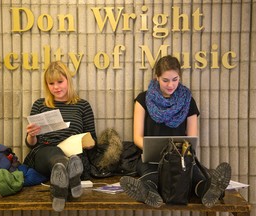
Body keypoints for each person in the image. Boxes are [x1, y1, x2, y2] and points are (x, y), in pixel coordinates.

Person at [120, 55, 231, 208]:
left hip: (181, 158)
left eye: (175, 79)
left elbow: (192, 139)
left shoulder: (188, 100)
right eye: (165, 80)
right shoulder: (142, 99)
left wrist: (178, 153)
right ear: (156, 77)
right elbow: (137, 137)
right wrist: (153, 150)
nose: (171, 85)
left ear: (180, 77)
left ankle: (208, 189)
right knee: (151, 176)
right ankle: (148, 191)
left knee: (193, 176)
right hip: (151, 158)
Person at [23, 61, 97, 212]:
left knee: (72, 158)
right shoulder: (40, 105)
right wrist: (32, 135)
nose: (56, 87)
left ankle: (60, 188)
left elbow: (93, 139)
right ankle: (67, 169)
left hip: (74, 153)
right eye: (51, 83)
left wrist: (89, 143)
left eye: (60, 82)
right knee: (54, 152)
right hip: (45, 153)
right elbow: (31, 144)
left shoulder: (83, 105)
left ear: (68, 80)